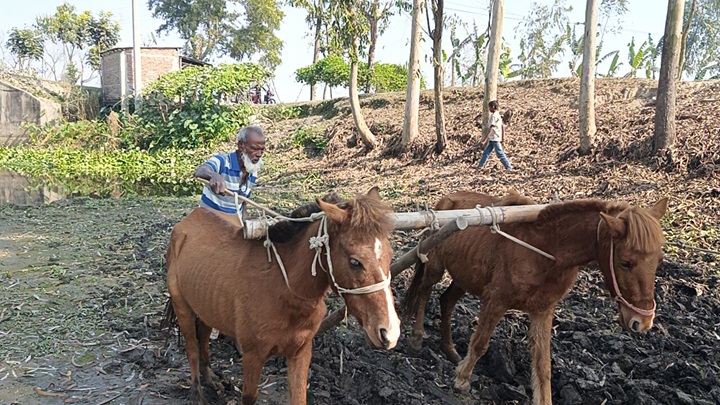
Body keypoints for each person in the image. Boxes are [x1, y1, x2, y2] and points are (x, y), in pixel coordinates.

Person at [194, 125, 266, 226]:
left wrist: (245, 224)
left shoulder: (252, 169)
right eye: (254, 149)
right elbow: (200, 171)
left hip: (233, 225)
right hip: (209, 222)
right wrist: (213, 175)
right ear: (241, 146)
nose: (259, 154)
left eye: (262, 150)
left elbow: (244, 202)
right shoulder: (222, 161)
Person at [477, 100, 513, 170]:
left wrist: (484, 140)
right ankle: (480, 166)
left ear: (493, 107)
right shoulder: (498, 115)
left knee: (500, 153)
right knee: (486, 153)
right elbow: (502, 126)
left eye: (489, 107)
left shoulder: (494, 116)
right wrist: (503, 137)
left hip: (494, 138)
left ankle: (509, 167)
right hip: (493, 138)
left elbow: (491, 128)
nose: (489, 109)